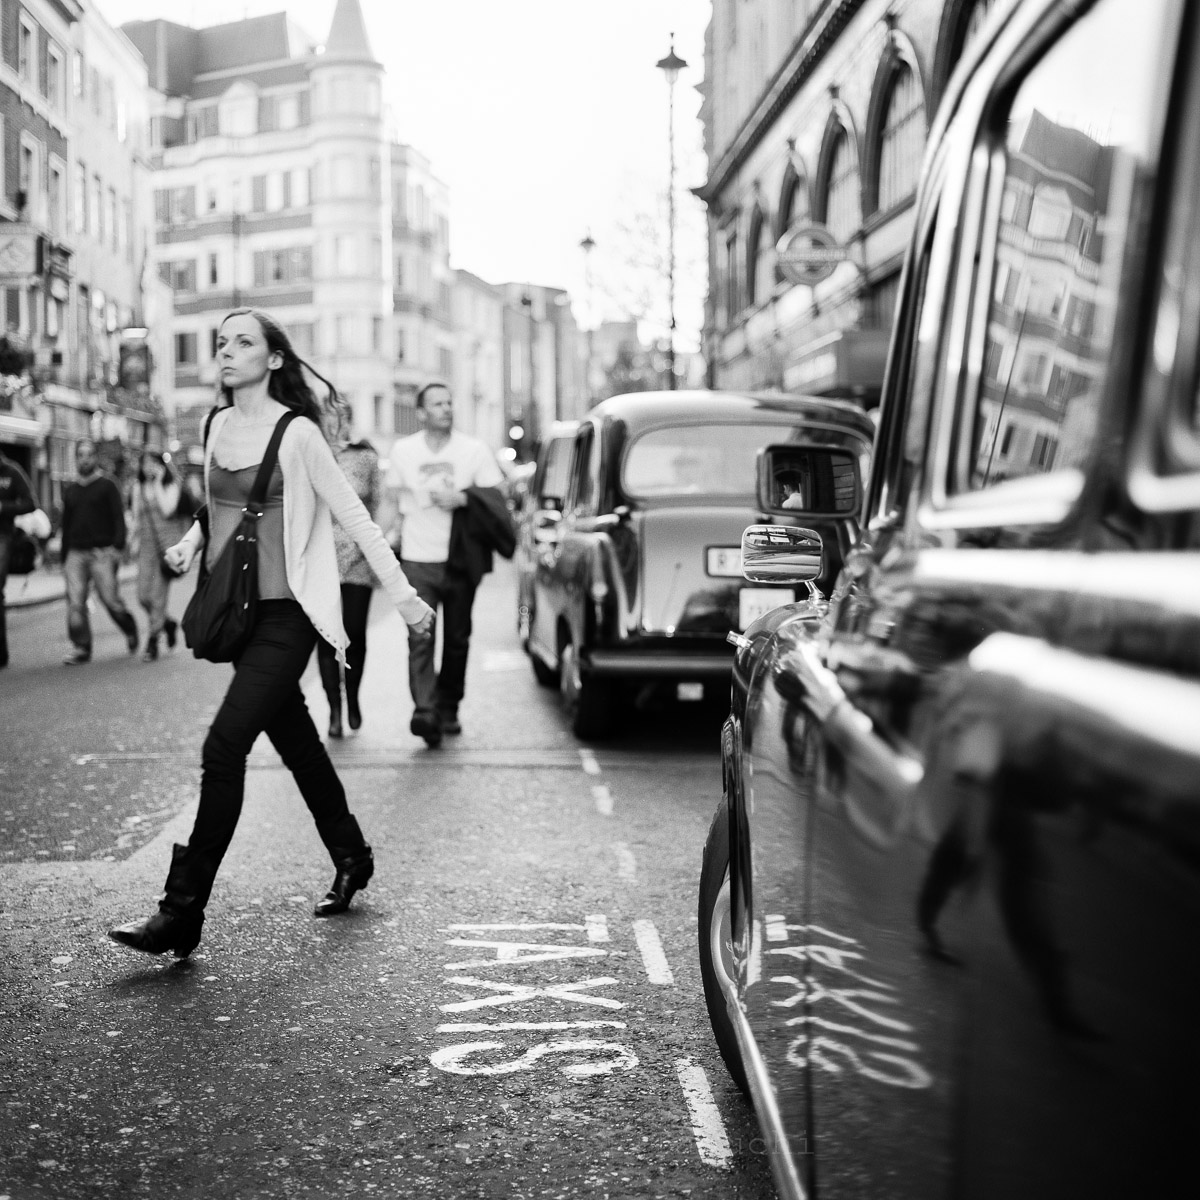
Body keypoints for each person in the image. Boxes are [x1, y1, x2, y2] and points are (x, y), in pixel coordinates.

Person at [108, 308, 434, 959]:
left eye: (243, 342)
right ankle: (351, 854)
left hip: (289, 619)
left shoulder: (300, 435)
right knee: (299, 743)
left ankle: (181, 912)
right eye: (222, 342)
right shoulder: (217, 425)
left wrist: (405, 599)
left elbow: (357, 520)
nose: (227, 352)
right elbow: (222, 503)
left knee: (223, 746)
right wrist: (191, 543)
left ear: (274, 358)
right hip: (241, 615)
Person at [384, 381, 505, 747]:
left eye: (450, 402)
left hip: (459, 561)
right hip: (417, 560)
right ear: (421, 413)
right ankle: (426, 710)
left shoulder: (474, 450)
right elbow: (391, 500)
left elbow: (495, 497)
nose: (446, 408)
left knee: (456, 638)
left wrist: (463, 498)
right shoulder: (403, 451)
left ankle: (449, 706)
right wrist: (374, 540)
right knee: (420, 636)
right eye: (437, 404)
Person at [316, 408, 381, 739]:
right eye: (326, 417)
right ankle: (334, 710)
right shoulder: (311, 454)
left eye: (339, 417)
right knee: (325, 636)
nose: (333, 423)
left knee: (354, 633)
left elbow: (376, 509)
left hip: (358, 559)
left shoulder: (365, 457)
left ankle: (353, 697)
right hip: (320, 560)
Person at [60, 439, 140, 665]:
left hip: (102, 552)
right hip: (75, 553)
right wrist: (64, 556)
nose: (84, 459)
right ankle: (81, 646)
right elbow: (66, 524)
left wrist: (117, 548)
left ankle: (129, 627)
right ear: (76, 458)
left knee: (110, 600)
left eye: (88, 454)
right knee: (76, 602)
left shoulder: (108, 485)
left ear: (95, 457)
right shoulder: (71, 489)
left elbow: (118, 518)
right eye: (80, 455)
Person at [129, 449, 193, 662]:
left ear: (160, 465)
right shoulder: (138, 488)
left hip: (166, 546)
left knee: (157, 596)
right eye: (144, 463)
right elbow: (136, 518)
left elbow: (167, 510)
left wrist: (157, 484)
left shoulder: (170, 486)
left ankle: (153, 641)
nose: (147, 467)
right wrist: (132, 541)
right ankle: (167, 623)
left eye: (151, 463)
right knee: (142, 596)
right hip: (146, 546)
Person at [0, 448, 36, 670]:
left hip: (2, 535)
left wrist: (4, 507)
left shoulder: (11, 472)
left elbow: (31, 502)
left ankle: (0, 653)